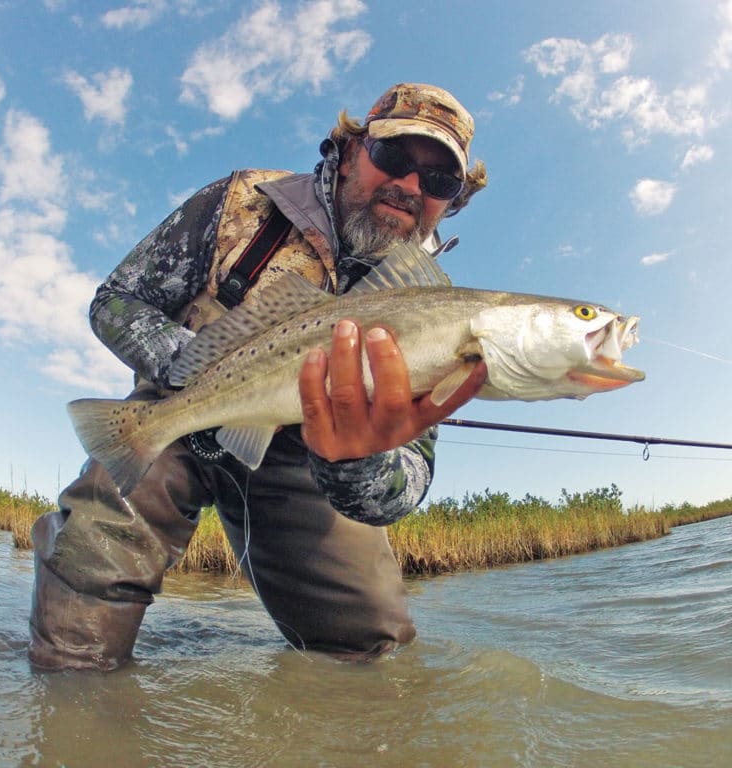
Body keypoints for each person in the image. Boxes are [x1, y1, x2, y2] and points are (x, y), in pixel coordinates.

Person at [28, 83, 489, 671]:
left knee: (370, 651)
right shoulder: (241, 200)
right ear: (350, 153)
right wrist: (197, 369)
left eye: (440, 181)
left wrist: (355, 459)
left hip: (307, 463)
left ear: (452, 202)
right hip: (177, 411)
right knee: (91, 564)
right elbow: (116, 301)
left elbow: (405, 485)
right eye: (394, 157)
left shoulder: (442, 308)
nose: (410, 186)